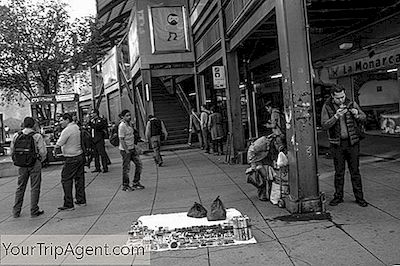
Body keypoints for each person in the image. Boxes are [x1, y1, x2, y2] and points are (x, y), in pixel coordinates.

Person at [321, 84, 368, 207]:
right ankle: (338, 196)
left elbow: (364, 117)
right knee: (339, 172)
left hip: (352, 142)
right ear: (332, 96)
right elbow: (324, 125)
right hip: (337, 144)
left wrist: (357, 113)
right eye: (338, 98)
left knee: (355, 171)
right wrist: (335, 116)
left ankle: (359, 197)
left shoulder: (351, 104)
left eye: (342, 97)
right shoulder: (327, 106)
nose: (341, 100)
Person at [10, 117, 47, 218]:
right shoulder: (37, 136)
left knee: (20, 187)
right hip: (34, 163)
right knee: (35, 187)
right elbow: (43, 152)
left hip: (21, 164)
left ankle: (16, 211)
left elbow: (12, 150)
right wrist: (40, 160)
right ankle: (34, 210)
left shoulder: (17, 135)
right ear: (33, 124)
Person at [54, 113, 86, 211]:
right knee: (79, 179)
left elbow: (59, 143)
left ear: (67, 120)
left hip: (71, 158)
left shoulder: (67, 130)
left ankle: (68, 203)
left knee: (66, 179)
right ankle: (81, 199)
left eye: (61, 120)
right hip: (79, 155)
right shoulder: (76, 127)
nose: (60, 123)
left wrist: (55, 151)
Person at [119, 110, 144, 191]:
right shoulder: (122, 126)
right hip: (125, 150)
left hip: (132, 148)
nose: (129, 117)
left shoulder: (130, 124)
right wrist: (126, 150)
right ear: (123, 117)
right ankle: (125, 185)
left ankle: (136, 182)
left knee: (139, 164)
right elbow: (121, 139)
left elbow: (133, 136)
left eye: (129, 115)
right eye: (127, 115)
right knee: (126, 168)